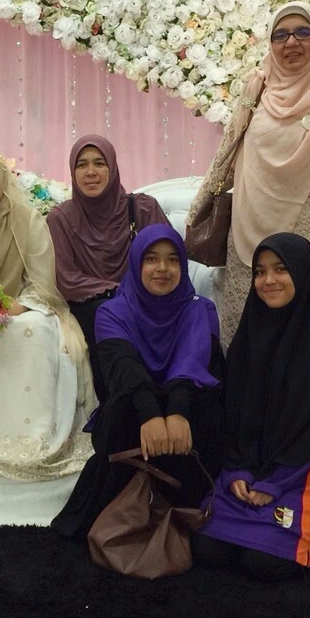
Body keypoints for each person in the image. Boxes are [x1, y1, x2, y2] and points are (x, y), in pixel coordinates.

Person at [191, 233, 310, 580]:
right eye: (260, 272)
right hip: (251, 469)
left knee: (263, 562)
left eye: (280, 269)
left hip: (306, 472)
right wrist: (237, 471)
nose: (269, 280)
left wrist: (276, 482)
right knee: (207, 548)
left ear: (302, 272)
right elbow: (235, 415)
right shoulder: (249, 338)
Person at [187, 0, 310, 344]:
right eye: (281, 35)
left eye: (303, 32)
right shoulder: (257, 88)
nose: (291, 42)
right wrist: (199, 208)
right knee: (249, 333)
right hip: (250, 230)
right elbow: (228, 150)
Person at [52, 224, 223, 540]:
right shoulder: (111, 312)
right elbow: (123, 367)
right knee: (122, 412)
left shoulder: (199, 308)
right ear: (135, 264)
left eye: (173, 259)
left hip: (185, 403)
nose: (162, 268)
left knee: (208, 410)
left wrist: (177, 413)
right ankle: (125, 514)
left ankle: (193, 510)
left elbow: (192, 361)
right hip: (135, 403)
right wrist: (151, 414)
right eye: (151, 259)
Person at [0, 144, 94, 480]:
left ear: (1, 179)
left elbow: (42, 280)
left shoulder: (26, 219)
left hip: (24, 303)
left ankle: (36, 432)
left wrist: (14, 305)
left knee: (33, 329)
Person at [46, 134, 170, 404]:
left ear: (112, 167)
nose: (90, 172)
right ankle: (122, 409)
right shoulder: (61, 219)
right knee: (106, 313)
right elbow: (67, 279)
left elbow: (169, 260)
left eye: (99, 163)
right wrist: (118, 292)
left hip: (145, 299)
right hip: (92, 305)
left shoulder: (143, 208)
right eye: (81, 165)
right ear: (72, 172)